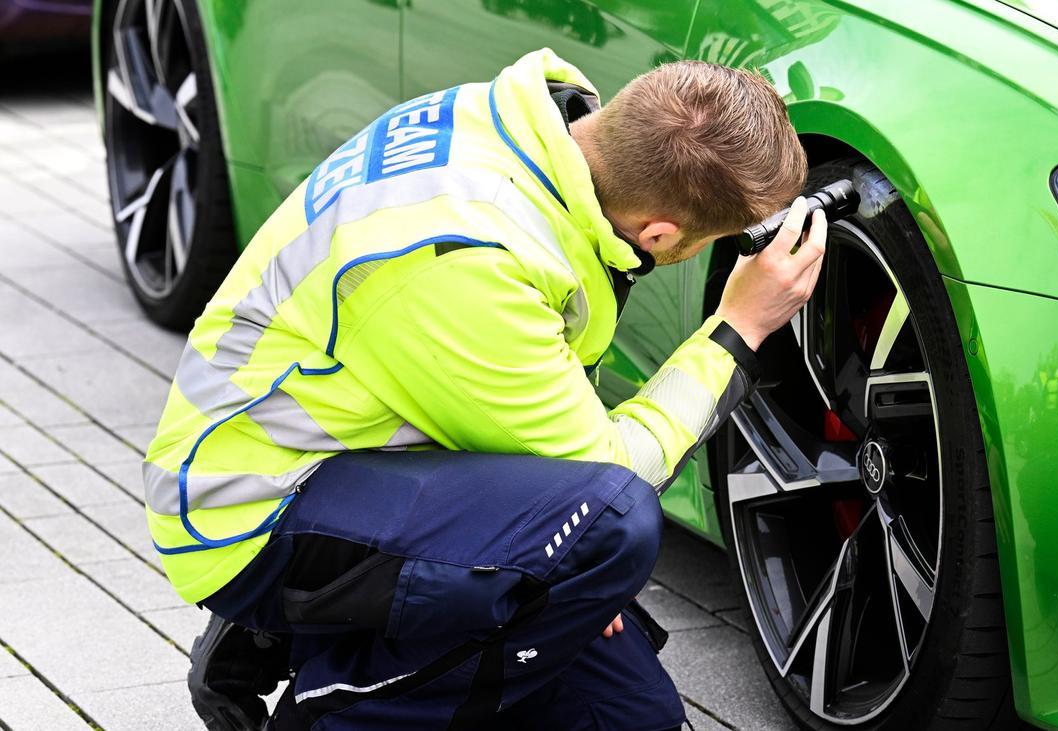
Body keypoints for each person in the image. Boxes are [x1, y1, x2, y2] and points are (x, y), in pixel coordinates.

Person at [144, 48, 825, 730]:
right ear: (660, 234)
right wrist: (738, 327)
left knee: (631, 718)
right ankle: (317, 694)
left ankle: (312, 633)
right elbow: (612, 472)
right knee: (611, 524)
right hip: (254, 505)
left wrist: (566, 567)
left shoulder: (522, 123)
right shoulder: (471, 259)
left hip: (370, 452)